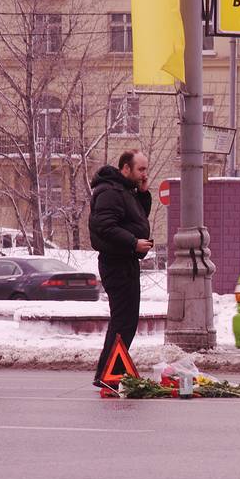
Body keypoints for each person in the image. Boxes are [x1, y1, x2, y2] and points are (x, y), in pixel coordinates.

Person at [89, 150, 152, 388]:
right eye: (141, 169)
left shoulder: (125, 191)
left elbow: (137, 218)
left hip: (125, 262)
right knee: (123, 321)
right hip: (116, 263)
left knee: (126, 321)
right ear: (126, 168)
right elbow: (104, 226)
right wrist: (133, 242)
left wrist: (144, 193)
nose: (144, 174)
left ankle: (109, 372)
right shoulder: (110, 192)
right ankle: (108, 374)